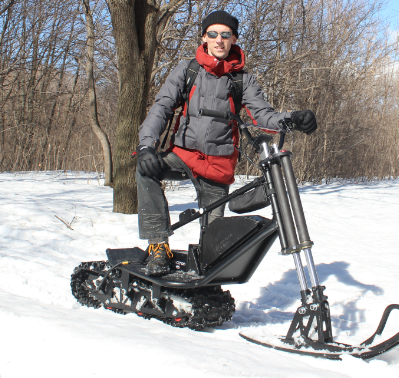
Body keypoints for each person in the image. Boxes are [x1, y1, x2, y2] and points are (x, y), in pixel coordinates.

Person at [136, 10, 317, 275]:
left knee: (213, 250)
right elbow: (162, 107)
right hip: (183, 155)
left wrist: (292, 118)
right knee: (145, 169)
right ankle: (158, 245)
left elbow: (263, 115)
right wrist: (146, 146)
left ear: (233, 39)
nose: (219, 40)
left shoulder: (242, 80)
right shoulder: (188, 70)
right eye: (213, 34)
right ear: (204, 38)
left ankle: (204, 286)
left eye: (225, 34)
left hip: (218, 165)